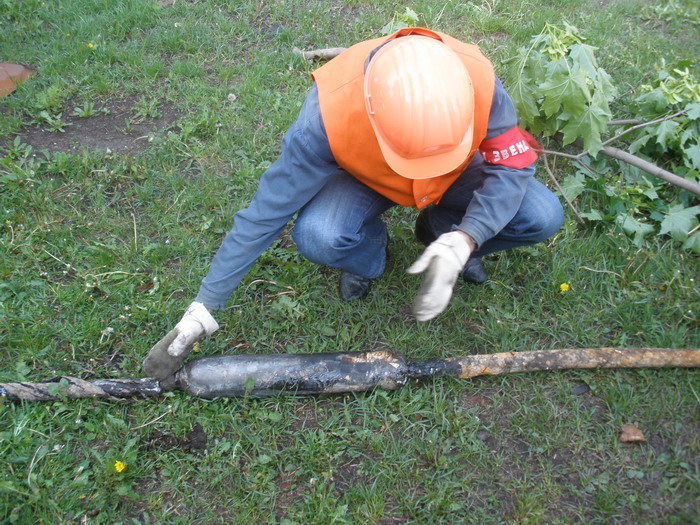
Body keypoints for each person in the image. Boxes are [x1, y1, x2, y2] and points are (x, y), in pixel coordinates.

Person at [142, 27, 564, 380]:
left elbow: (512, 168)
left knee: (541, 215)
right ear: (372, 114)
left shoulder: (477, 81)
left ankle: (441, 231)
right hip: (366, 177)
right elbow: (265, 213)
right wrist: (204, 308)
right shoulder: (326, 116)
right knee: (320, 235)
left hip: (457, 170)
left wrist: (468, 236)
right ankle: (368, 256)